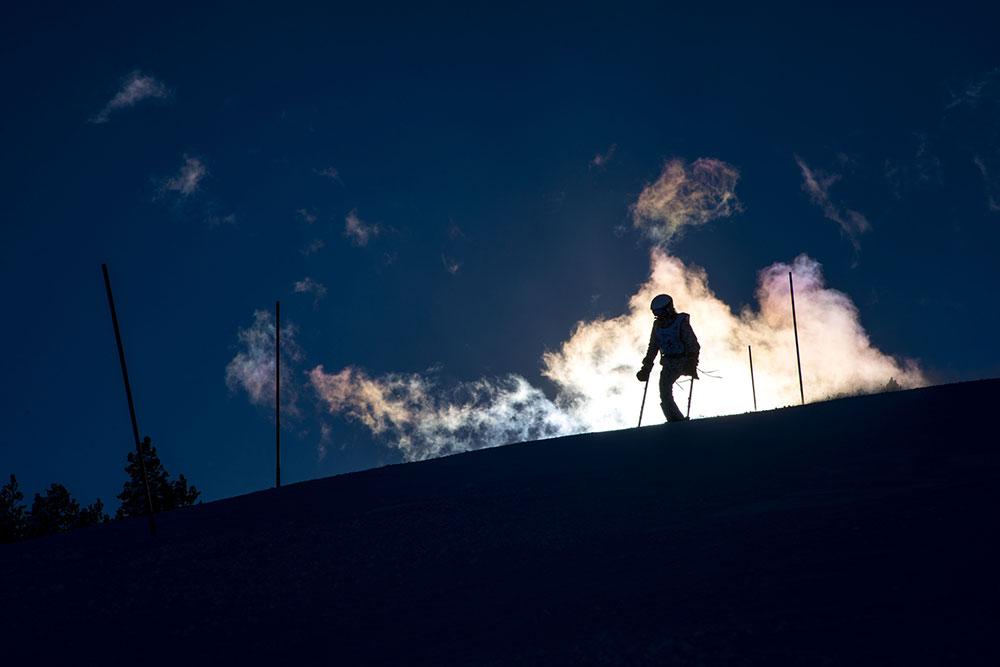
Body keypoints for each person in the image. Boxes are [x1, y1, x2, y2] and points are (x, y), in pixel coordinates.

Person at [636, 294, 700, 422]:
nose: (658, 315)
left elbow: (692, 343)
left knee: (665, 390)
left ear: (668, 309)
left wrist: (692, 361)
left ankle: (676, 420)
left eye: (660, 312)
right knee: (664, 392)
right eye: (656, 312)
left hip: (682, 360)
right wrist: (646, 368)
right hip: (668, 363)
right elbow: (653, 347)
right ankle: (675, 419)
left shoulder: (680, 322)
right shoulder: (657, 326)